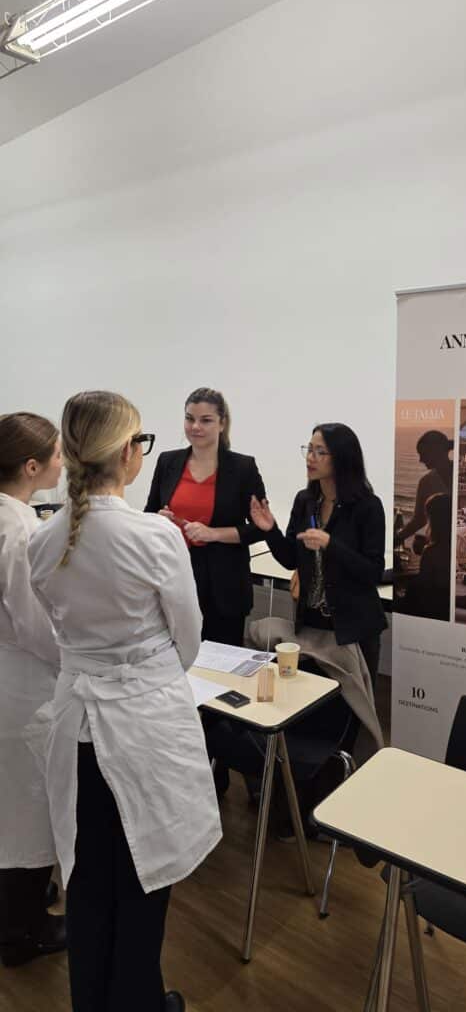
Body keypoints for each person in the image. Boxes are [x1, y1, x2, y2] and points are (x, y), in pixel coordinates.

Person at [28, 391, 221, 1012]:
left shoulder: (42, 541)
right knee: (143, 875)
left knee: (87, 877)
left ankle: (93, 999)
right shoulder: (154, 536)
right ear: (127, 454)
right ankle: (137, 999)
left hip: (76, 728)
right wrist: (144, 670)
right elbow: (188, 638)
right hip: (142, 727)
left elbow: (59, 635)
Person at [0, 412, 66, 968]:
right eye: (57, 455)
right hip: (21, 688)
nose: (63, 463)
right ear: (31, 467)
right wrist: (78, 656)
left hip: (9, 678)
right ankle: (23, 932)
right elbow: (34, 625)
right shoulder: (20, 531)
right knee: (28, 811)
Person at [250, 422, 386, 681]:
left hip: (352, 629)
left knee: (352, 704)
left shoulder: (367, 506)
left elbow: (373, 572)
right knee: (312, 699)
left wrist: (330, 544)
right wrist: (270, 530)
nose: (310, 458)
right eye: (309, 449)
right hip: (312, 625)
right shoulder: (306, 501)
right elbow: (290, 559)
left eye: (320, 452)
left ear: (342, 458)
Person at [145, 388, 266, 647]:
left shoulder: (242, 468)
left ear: (222, 424)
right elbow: (149, 514)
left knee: (222, 660)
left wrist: (214, 534)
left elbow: (260, 528)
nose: (195, 427)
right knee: (174, 655)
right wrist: (159, 519)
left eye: (206, 420)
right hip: (175, 574)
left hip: (224, 583)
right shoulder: (168, 462)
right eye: (189, 418)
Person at [395, 430, 453, 546]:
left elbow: (419, 520)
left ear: (434, 451)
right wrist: (399, 537)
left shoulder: (427, 482)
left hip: (440, 545)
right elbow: (419, 520)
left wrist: (398, 537)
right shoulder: (427, 481)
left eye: (423, 453)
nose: (420, 460)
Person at [399, 493, 451, 620]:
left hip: (429, 610)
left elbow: (423, 587)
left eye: (429, 518)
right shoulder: (447, 547)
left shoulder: (431, 552)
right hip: (441, 607)